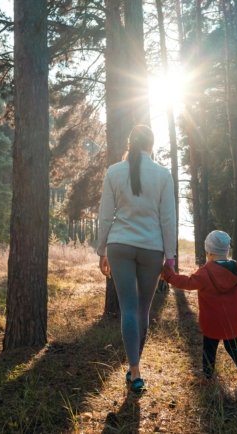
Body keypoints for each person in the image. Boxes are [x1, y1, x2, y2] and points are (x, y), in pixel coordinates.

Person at [96, 125, 177, 393]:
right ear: (151, 145)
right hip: (152, 248)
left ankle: (134, 369)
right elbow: (168, 219)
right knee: (142, 310)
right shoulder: (163, 174)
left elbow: (106, 215)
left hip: (119, 245)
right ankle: (135, 369)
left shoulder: (114, 171)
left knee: (128, 308)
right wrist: (170, 257)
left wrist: (101, 250)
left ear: (131, 143)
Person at [160, 230, 237, 386]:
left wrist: (169, 276)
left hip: (212, 322)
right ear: (227, 250)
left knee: (209, 349)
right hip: (233, 320)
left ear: (209, 252)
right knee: (233, 347)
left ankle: (208, 378)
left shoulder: (206, 271)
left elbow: (187, 282)